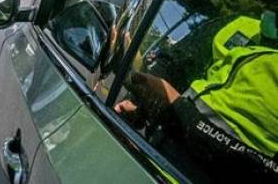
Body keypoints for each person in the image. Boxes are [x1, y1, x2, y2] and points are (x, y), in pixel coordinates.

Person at [115, 9, 278, 181]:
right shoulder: (240, 24)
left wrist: (180, 114)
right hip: (146, 156)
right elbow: (176, 61)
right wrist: (139, 102)